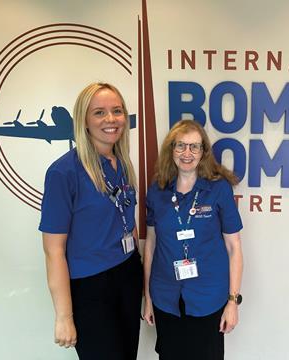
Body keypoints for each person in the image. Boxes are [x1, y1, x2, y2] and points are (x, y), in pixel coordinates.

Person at [39, 83, 143, 359]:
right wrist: (64, 316)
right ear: (84, 121)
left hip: (128, 273)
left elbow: (126, 219)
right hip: (91, 287)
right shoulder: (64, 172)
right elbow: (53, 251)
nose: (111, 119)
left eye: (117, 111)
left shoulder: (120, 163)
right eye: (99, 112)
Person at [143, 119, 244, 360]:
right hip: (166, 298)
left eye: (194, 147)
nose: (187, 153)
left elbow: (234, 248)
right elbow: (150, 247)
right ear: (171, 150)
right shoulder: (158, 190)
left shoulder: (219, 189)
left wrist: (233, 301)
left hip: (208, 298)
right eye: (180, 146)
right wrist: (148, 298)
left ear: (203, 152)